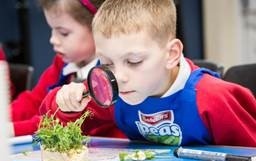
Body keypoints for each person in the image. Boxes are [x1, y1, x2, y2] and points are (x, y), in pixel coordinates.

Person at [40, 0, 256, 146]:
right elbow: (52, 120)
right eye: (106, 63)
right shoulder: (113, 92)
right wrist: (66, 103)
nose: (120, 76)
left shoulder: (213, 99)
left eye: (133, 61)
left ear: (171, 54)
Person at [9, 0, 115, 136]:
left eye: (63, 33)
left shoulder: (110, 72)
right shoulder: (63, 63)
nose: (52, 39)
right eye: (52, 29)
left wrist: (12, 129)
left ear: (99, 29)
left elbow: (68, 123)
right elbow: (35, 100)